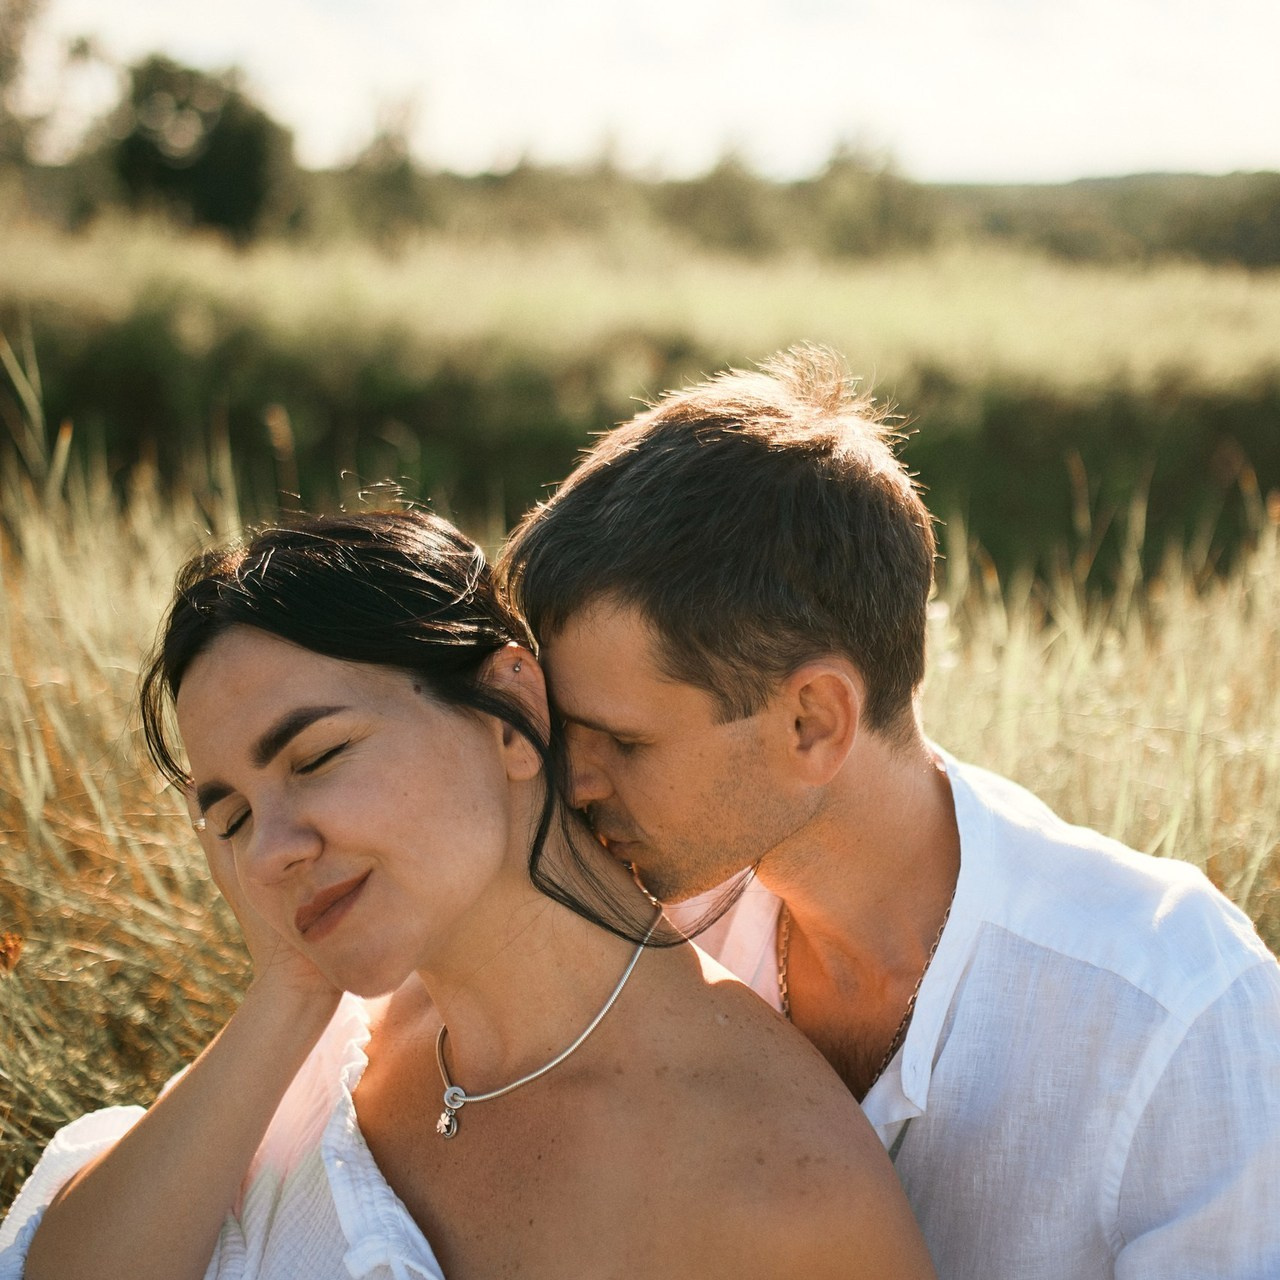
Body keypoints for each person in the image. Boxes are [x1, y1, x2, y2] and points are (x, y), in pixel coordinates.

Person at [498, 345, 1280, 1279]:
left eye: (623, 743)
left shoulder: (1175, 1009)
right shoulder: (620, 927)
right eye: (565, 732)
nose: (573, 783)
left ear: (814, 722)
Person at [0, 510, 936, 1280]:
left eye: (317, 757)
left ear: (512, 715)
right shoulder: (324, 1050)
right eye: (233, 816)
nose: (272, 851)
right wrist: (291, 986)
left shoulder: (778, 1185)